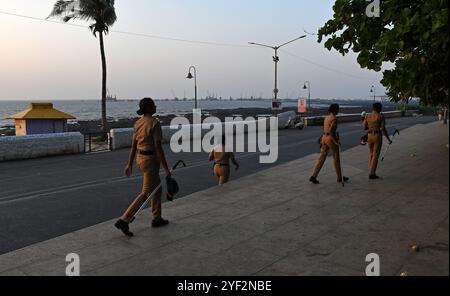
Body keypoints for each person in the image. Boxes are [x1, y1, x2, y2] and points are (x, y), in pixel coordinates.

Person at [115, 98, 172, 237]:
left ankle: (156, 218)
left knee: (157, 189)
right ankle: (124, 219)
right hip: (150, 160)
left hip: (140, 158)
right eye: (153, 105)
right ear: (148, 108)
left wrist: (129, 164)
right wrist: (166, 169)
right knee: (146, 192)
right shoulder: (154, 123)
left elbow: (134, 146)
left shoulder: (138, 123)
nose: (155, 106)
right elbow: (159, 148)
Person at [310, 104, 349, 184]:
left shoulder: (327, 117)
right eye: (338, 109)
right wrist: (336, 142)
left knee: (321, 157)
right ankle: (339, 177)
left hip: (324, 137)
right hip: (330, 139)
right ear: (335, 110)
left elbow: (327, 129)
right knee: (336, 157)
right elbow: (331, 131)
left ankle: (314, 175)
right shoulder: (334, 118)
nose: (338, 111)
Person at [363, 102, 392, 180]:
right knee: (376, 154)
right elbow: (383, 128)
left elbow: (364, 128)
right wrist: (388, 139)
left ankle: (370, 170)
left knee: (371, 154)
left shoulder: (367, 116)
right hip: (377, 136)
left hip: (369, 135)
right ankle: (372, 173)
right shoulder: (380, 116)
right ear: (379, 108)